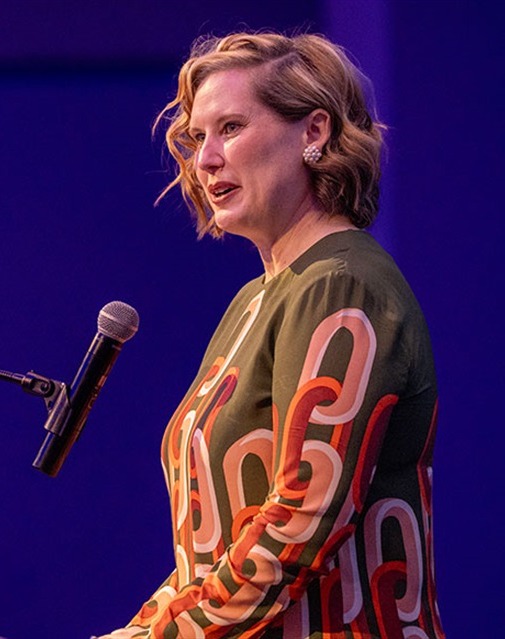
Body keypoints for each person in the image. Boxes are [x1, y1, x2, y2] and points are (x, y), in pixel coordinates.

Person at [98, 32, 443, 638]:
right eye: (198, 137)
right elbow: (212, 548)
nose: (205, 159)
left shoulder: (340, 285)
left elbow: (300, 519)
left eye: (230, 128)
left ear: (313, 132)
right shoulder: (256, 298)